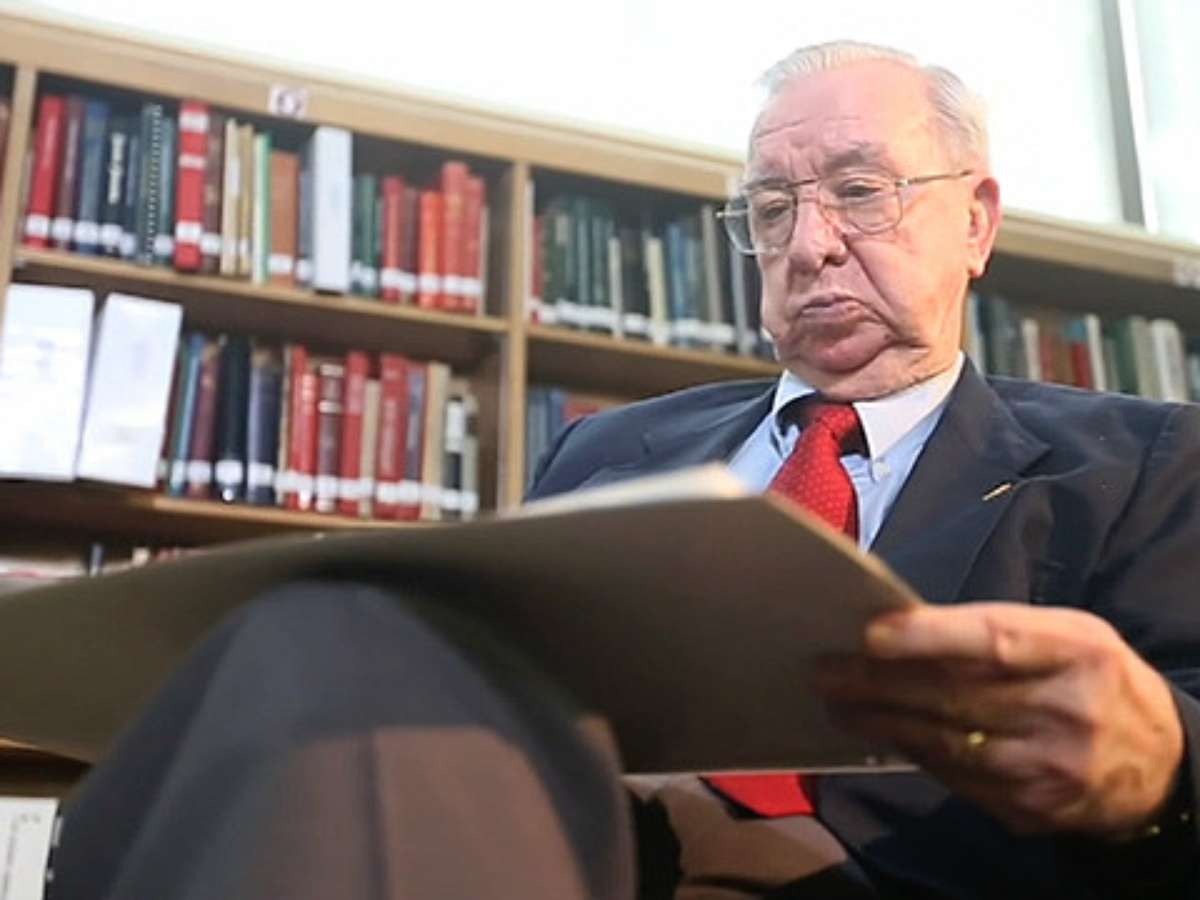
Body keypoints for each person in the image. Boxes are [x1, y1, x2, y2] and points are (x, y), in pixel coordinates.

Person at [45, 41, 1199, 900]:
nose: (810, 245)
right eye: (772, 207)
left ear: (977, 221)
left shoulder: (1142, 465)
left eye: (860, 191)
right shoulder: (606, 452)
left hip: (893, 877)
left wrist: (1163, 768)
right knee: (323, 639)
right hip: (566, 853)